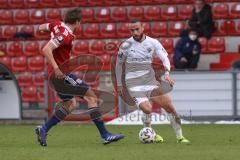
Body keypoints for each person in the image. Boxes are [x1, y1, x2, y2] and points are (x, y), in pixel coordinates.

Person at [35, 8, 124, 147]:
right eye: (80, 23)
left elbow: (41, 28)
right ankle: (105, 135)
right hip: (61, 74)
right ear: (77, 22)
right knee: (91, 97)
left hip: (55, 76)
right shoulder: (65, 35)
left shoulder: (57, 25)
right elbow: (46, 49)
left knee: (71, 104)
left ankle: (44, 129)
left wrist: (51, 34)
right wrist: (57, 67)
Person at [116, 19, 190, 143]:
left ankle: (180, 137)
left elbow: (165, 58)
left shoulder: (153, 42)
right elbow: (118, 64)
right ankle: (150, 133)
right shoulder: (125, 45)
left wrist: (167, 73)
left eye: (137, 29)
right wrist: (119, 84)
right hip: (133, 83)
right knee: (147, 109)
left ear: (143, 28)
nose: (134, 32)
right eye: (132, 30)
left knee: (170, 108)